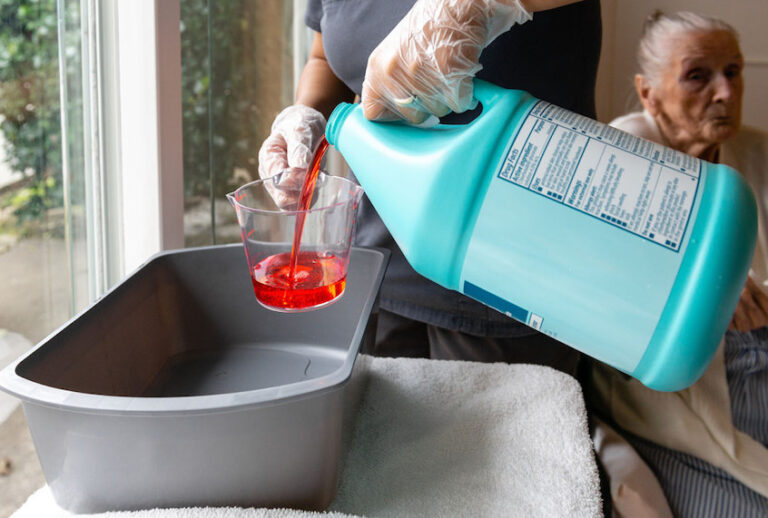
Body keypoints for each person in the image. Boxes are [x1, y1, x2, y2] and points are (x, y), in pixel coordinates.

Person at [257, 0, 602, 372]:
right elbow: (324, 58)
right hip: (380, 264)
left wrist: (477, 4)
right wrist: (305, 114)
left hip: (509, 268)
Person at [586, 11, 768, 517]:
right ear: (648, 94)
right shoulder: (619, 160)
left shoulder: (757, 153)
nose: (726, 92)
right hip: (672, 412)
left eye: (732, 71)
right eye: (698, 75)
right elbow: (606, 304)